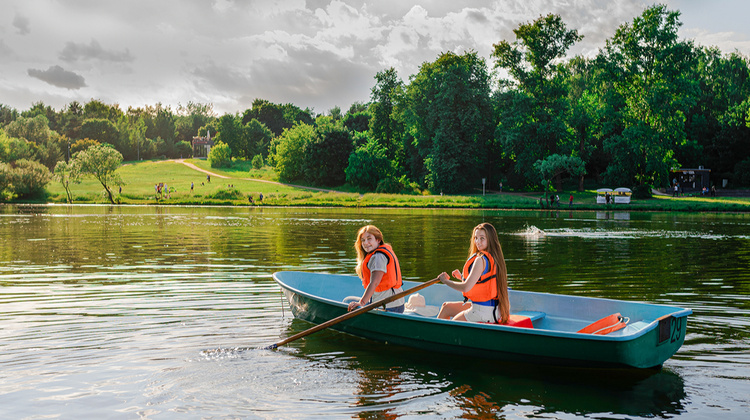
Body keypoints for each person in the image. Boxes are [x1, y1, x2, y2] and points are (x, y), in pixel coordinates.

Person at [436, 222, 510, 324]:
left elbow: (466, 288)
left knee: (451, 325)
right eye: (476, 238)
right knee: (446, 307)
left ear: (490, 240)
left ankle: (436, 336)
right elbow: (483, 282)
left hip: (481, 312)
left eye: (482, 238)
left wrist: (445, 281)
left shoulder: (480, 260)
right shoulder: (495, 258)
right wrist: (461, 277)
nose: (477, 242)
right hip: (494, 311)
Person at [348, 225, 405, 313]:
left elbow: (374, 283)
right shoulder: (379, 252)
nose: (365, 243)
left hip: (388, 307)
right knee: (348, 300)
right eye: (363, 240)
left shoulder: (378, 257)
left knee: (347, 302)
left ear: (378, 240)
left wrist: (361, 303)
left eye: (369, 238)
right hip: (396, 304)